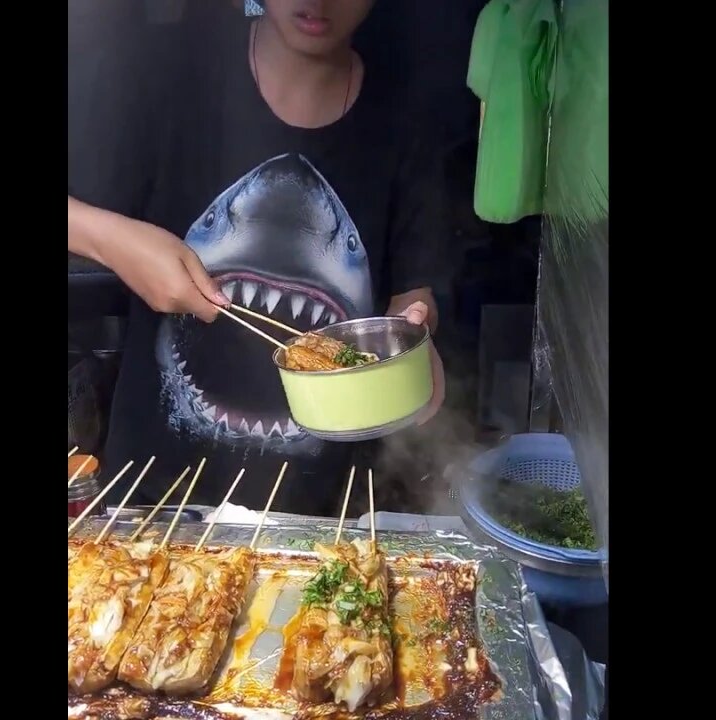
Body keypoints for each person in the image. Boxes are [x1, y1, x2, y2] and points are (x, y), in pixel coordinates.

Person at [67, 0, 447, 516]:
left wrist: (410, 344)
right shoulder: (169, 73)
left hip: (315, 520)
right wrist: (113, 239)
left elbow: (413, 293)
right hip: (152, 508)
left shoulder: (408, 119)